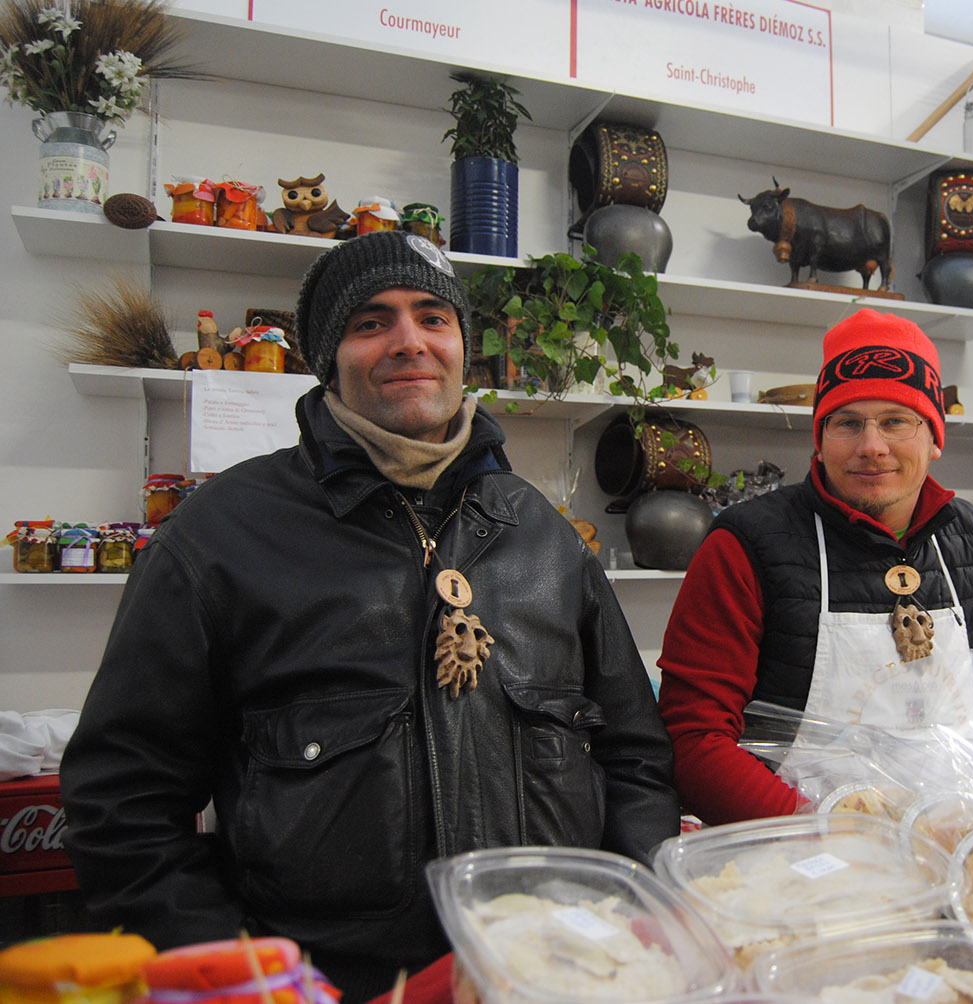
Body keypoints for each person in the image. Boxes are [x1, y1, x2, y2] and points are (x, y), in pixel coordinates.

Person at [60, 232, 680, 1001]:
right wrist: (244, 978)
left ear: (463, 346)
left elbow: (635, 757)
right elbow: (122, 802)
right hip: (330, 986)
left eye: (433, 317)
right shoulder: (217, 538)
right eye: (371, 322)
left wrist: (628, 930)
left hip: (555, 977)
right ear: (329, 359)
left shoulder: (544, 537)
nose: (409, 341)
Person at [655, 308, 973, 825]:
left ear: (935, 437)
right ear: (820, 439)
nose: (872, 447)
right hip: (794, 850)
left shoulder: (972, 538)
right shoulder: (745, 545)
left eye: (896, 421)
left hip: (953, 839)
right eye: (848, 423)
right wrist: (828, 832)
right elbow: (693, 740)